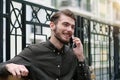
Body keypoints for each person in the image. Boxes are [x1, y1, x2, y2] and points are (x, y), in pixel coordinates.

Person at [0, 9, 91, 80]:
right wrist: (8, 66)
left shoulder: (72, 55)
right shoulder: (34, 51)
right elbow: (2, 66)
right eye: (65, 24)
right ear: (52, 26)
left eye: (72, 27)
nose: (70, 29)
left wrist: (80, 56)